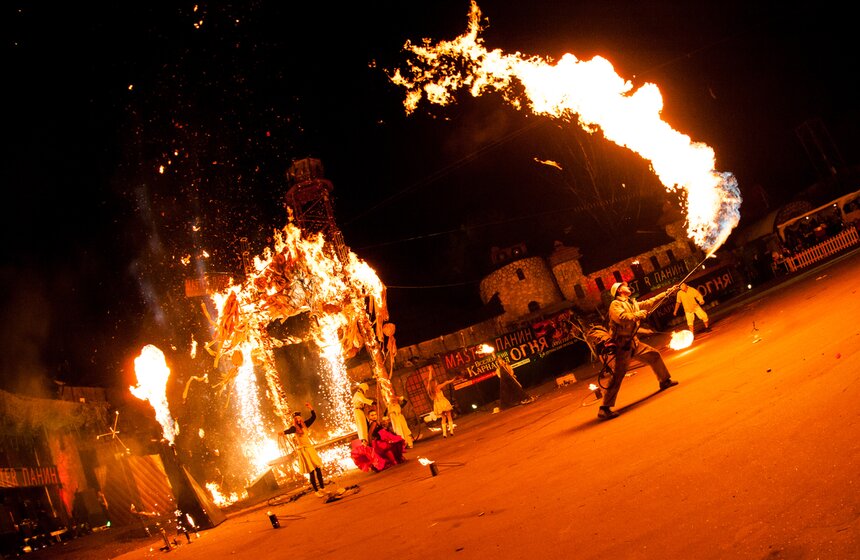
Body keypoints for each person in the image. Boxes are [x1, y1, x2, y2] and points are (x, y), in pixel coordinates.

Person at [599, 282, 679, 420]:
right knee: (618, 375)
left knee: (653, 355)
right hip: (622, 345)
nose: (627, 286)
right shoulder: (615, 305)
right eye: (624, 285)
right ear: (619, 291)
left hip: (633, 342)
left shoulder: (632, 302)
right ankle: (604, 409)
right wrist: (638, 315)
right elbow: (621, 318)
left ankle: (664, 380)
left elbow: (650, 302)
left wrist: (667, 292)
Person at [283, 403, 327, 496]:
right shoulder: (294, 428)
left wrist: (311, 408)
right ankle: (316, 491)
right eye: (296, 419)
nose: (298, 419)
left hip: (310, 449)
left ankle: (323, 488)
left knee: (318, 468)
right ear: (294, 420)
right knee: (311, 471)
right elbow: (288, 431)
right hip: (304, 451)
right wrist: (282, 432)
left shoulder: (305, 425)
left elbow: (313, 417)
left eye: (299, 418)